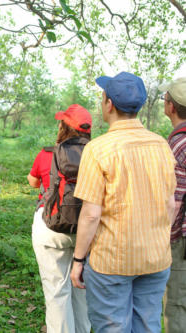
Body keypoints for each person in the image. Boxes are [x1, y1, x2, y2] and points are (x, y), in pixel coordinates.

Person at [70, 71, 177, 333]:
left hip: (112, 262)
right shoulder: (161, 145)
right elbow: (170, 205)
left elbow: (91, 214)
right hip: (156, 259)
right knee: (148, 326)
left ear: (109, 104)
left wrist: (78, 260)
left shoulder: (98, 149)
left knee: (113, 328)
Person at [30, 104, 92, 333]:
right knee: (81, 288)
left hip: (52, 229)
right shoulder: (99, 154)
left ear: (63, 127)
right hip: (86, 231)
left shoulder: (48, 153)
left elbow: (33, 182)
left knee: (57, 291)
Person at [160, 77, 186, 333]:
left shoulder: (178, 143)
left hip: (182, 239)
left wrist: (166, 235)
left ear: (170, 107)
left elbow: (175, 201)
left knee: (177, 304)